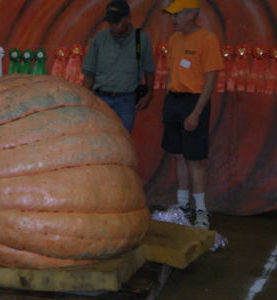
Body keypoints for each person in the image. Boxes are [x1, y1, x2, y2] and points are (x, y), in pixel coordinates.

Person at [162, 0, 224, 229]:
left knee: (194, 160)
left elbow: (210, 80)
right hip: (173, 101)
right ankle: (182, 206)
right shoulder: (174, 40)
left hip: (193, 102)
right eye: (171, 15)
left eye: (176, 15)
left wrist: (196, 112)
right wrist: (169, 102)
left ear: (192, 14)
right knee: (177, 156)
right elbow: (172, 73)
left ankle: (201, 211)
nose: (173, 19)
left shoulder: (208, 39)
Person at [82, 0, 155, 133]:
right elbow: (89, 73)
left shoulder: (141, 39)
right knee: (100, 138)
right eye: (110, 22)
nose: (112, 26)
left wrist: (149, 94)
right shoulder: (100, 39)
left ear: (127, 19)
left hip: (126, 101)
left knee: (124, 141)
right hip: (100, 99)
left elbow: (149, 69)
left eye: (116, 22)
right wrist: (86, 101)